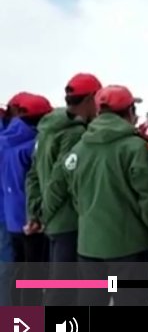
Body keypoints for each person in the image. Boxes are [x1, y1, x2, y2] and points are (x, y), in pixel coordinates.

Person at [44, 85, 148, 306]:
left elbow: (70, 190)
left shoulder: (79, 148)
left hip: (89, 246)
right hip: (129, 248)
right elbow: (147, 198)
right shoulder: (135, 148)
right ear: (129, 111)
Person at [27, 72, 102, 306]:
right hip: (68, 221)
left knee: (59, 285)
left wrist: (35, 211)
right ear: (90, 98)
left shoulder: (47, 130)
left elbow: (33, 175)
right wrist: (44, 213)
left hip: (53, 222)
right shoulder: (75, 134)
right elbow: (60, 179)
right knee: (65, 290)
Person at [1, 93, 52, 305]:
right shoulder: (34, 145)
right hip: (31, 222)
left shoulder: (4, 140)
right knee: (34, 278)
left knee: (15, 274)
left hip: (10, 217)